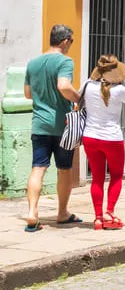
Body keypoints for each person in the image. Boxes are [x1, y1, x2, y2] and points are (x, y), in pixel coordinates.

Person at [23, 24, 81, 232]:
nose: (71, 45)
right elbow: (63, 85)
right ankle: (62, 213)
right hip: (61, 126)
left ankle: (32, 213)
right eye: (71, 41)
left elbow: (28, 94)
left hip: (39, 124)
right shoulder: (65, 61)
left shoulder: (33, 63)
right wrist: (78, 99)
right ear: (65, 41)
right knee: (64, 169)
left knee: (38, 168)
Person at [80, 55, 125, 231]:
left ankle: (98, 218)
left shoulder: (88, 85)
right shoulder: (119, 90)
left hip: (90, 137)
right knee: (116, 176)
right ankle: (109, 212)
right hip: (112, 139)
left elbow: (77, 98)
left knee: (96, 178)